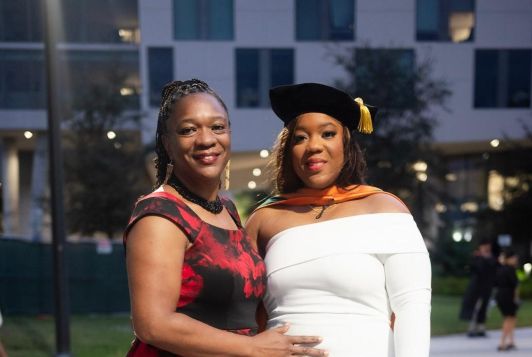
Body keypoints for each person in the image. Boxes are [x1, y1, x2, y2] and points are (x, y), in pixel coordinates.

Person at [124, 79, 327, 356]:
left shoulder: (226, 209)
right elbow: (153, 324)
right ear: (167, 144)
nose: (206, 140)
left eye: (217, 127)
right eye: (188, 130)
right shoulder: (159, 216)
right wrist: (253, 347)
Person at [246, 83, 432, 356]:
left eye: (328, 134)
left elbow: (412, 308)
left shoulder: (385, 210)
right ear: (289, 151)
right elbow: (242, 311)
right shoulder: (264, 219)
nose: (313, 146)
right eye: (300, 138)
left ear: (346, 144)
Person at [459, 239, 498, 337]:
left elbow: (494, 268)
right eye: (485, 246)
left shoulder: (492, 258)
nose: (487, 248)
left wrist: (487, 257)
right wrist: (480, 257)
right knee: (475, 307)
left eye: (488, 246)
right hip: (476, 287)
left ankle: (481, 328)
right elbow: (475, 268)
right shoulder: (476, 257)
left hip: (487, 287)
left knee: (485, 307)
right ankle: (471, 328)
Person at [495, 249, 520, 351]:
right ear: (509, 259)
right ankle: (502, 343)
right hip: (508, 296)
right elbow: (515, 285)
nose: (516, 260)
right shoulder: (510, 270)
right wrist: (516, 298)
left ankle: (511, 341)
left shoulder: (500, 269)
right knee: (509, 319)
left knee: (511, 318)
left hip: (500, 295)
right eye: (514, 258)